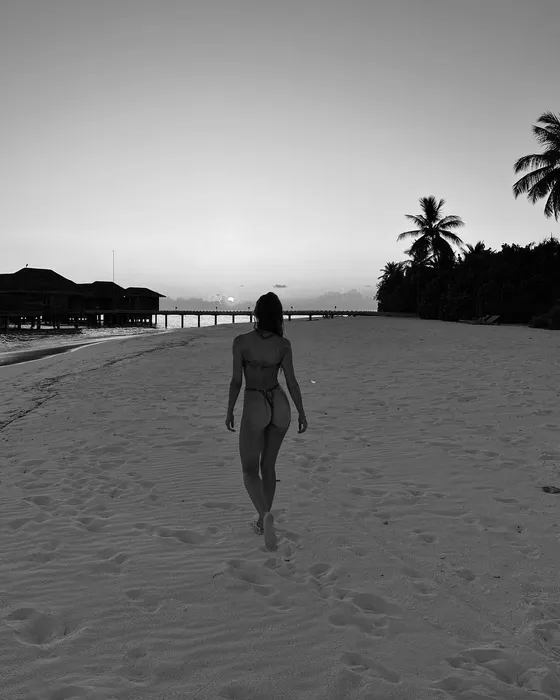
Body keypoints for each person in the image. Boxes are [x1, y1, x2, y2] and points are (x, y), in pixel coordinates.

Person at [225, 292, 307, 551]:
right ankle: (263, 521)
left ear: (256, 314)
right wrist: (301, 412)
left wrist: (230, 410)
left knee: (249, 470)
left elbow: (236, 381)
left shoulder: (241, 342)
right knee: (268, 466)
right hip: (280, 403)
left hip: (255, 403)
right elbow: (292, 382)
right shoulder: (284, 345)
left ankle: (265, 515)